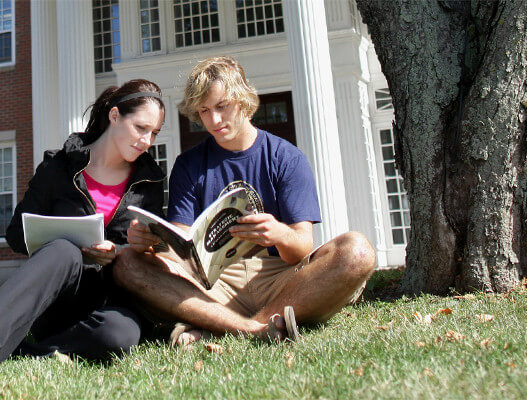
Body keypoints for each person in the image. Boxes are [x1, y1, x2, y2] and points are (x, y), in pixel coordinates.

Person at [111, 56, 376, 345]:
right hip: (211, 285)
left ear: (243, 100)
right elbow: (182, 245)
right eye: (204, 111)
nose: (213, 121)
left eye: (222, 106)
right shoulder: (188, 165)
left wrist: (278, 233)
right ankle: (259, 327)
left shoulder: (285, 157)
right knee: (127, 262)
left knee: (357, 251)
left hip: (280, 278)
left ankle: (217, 324)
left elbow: (301, 248)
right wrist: (152, 242)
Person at [0, 79, 168, 385]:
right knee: (64, 251)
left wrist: (127, 248)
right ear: (115, 116)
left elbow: (154, 248)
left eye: (154, 133)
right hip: (57, 295)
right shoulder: (60, 167)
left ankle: (27, 351)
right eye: (140, 128)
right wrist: (63, 239)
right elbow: (16, 234)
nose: (146, 140)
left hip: (109, 301)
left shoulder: (150, 181)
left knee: (119, 336)